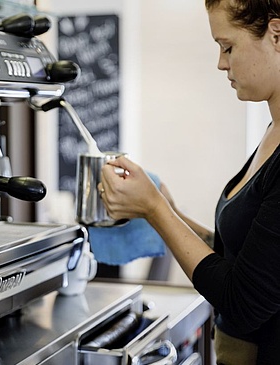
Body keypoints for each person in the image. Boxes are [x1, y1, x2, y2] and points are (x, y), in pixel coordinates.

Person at [98, 0, 280, 363]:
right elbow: (244, 259)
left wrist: (155, 208)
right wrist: (166, 210)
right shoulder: (272, 133)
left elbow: (242, 301)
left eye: (228, 47)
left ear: (277, 34)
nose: (221, 63)